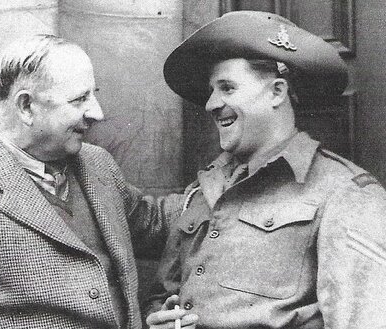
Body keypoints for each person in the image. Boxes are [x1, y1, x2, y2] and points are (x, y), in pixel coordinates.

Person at [0, 34, 183, 328]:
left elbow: (156, 222)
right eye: (80, 99)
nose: (97, 113)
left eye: (93, 94)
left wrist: (228, 178)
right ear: (26, 106)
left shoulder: (97, 163)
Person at [145, 11, 386, 329]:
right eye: (211, 91)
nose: (211, 104)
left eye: (227, 88)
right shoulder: (203, 190)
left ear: (277, 92)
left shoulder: (346, 194)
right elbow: (165, 293)